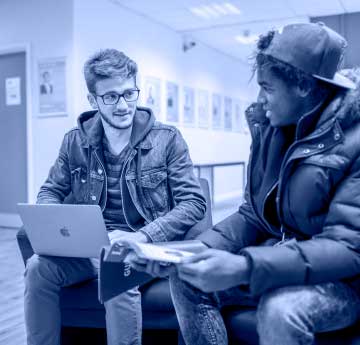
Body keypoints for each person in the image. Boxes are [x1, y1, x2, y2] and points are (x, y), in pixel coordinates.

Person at [129, 23, 360, 344]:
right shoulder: (272, 128)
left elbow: (348, 248)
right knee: (186, 280)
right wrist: (189, 252)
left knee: (281, 310)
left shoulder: (354, 140)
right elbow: (254, 215)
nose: (260, 100)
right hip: (279, 261)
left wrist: (246, 267)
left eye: (268, 88)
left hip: (344, 282)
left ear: (304, 87)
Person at [24, 49, 206, 345]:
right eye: (110, 97)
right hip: (90, 249)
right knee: (37, 268)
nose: (123, 105)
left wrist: (143, 236)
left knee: (115, 266)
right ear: (93, 100)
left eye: (129, 94)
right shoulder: (75, 141)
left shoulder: (167, 139)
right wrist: (54, 221)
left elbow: (194, 203)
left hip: (144, 248)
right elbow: (51, 189)